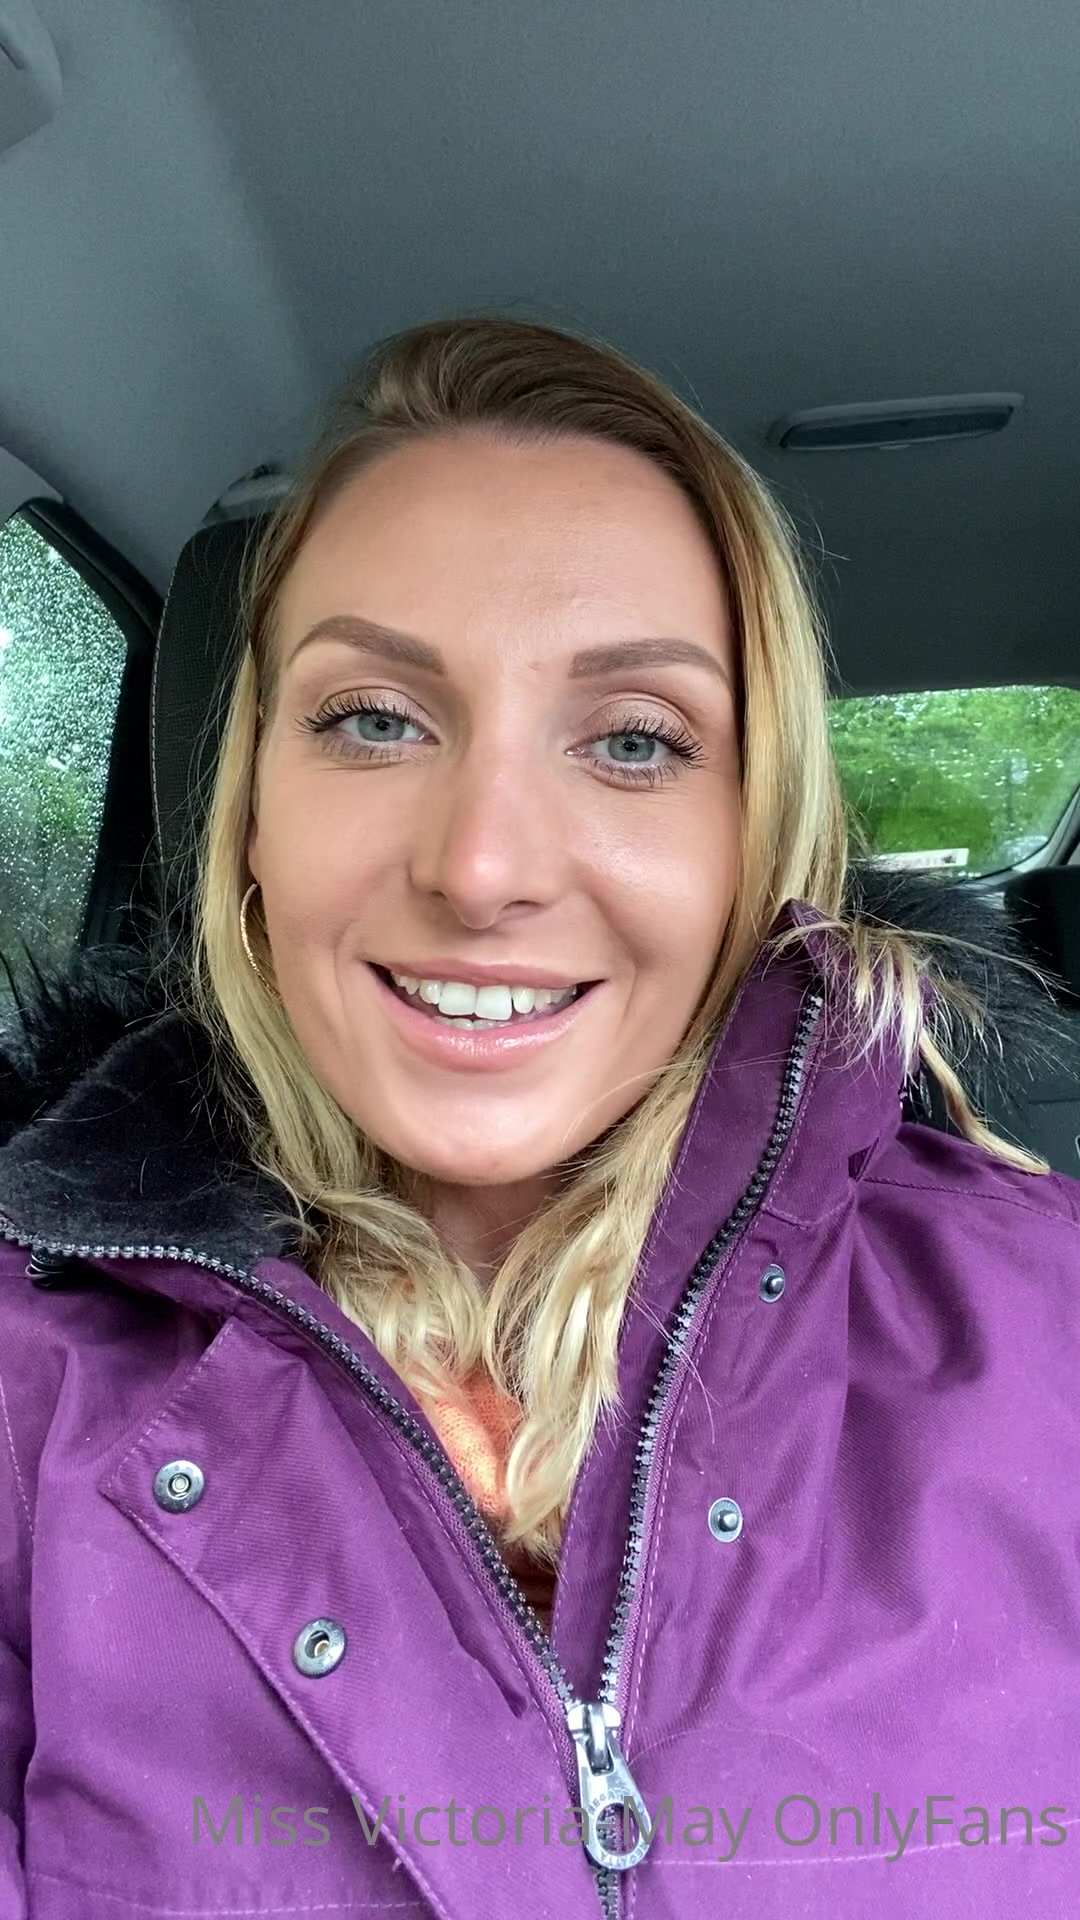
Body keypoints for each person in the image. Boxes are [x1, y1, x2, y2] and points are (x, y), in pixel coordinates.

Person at [2, 316, 1080, 1920]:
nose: (483, 865)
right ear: (250, 819)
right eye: (374, 719)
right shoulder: (26, 1400)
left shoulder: (1052, 1322)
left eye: (634, 740)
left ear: (754, 839)